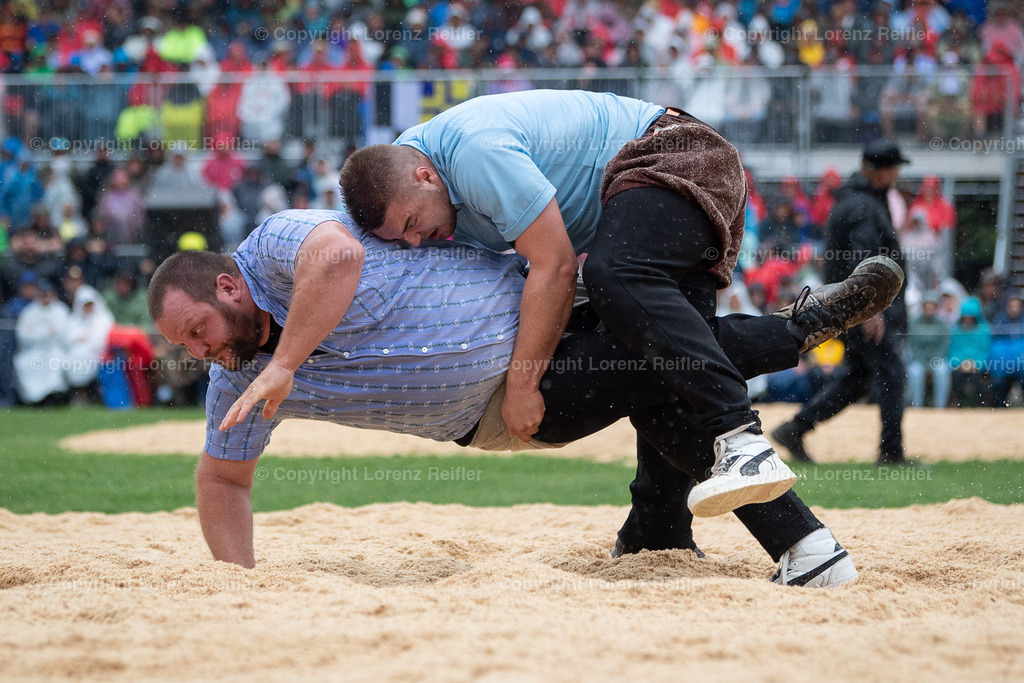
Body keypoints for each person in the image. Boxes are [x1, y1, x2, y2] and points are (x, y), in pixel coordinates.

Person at [148, 210, 900, 584]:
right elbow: (221, 479)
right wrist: (238, 586)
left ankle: (691, 539)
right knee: (655, 362)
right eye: (188, 348)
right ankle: (799, 329)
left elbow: (338, 254)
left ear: (228, 286)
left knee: (664, 372)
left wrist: (286, 362)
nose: (201, 352)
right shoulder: (235, 376)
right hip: (511, 402)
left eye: (197, 331)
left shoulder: (274, 246)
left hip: (544, 308)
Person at [338, 90, 904, 521]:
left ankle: (741, 433)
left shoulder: (472, 152)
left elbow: (557, 266)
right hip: (640, 200)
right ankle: (662, 530)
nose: (416, 241)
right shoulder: (404, 174)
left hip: (679, 153)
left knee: (613, 275)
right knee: (654, 375)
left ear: (424, 175)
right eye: (401, 238)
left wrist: (522, 384)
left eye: (412, 223)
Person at [772, 141, 910, 466]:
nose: (897, 174)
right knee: (892, 374)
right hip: (864, 311)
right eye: (894, 168)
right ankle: (891, 452)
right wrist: (871, 307)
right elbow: (863, 258)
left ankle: (796, 428)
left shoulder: (856, 200)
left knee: (857, 378)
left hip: (850, 309)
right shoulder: (864, 204)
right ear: (882, 171)